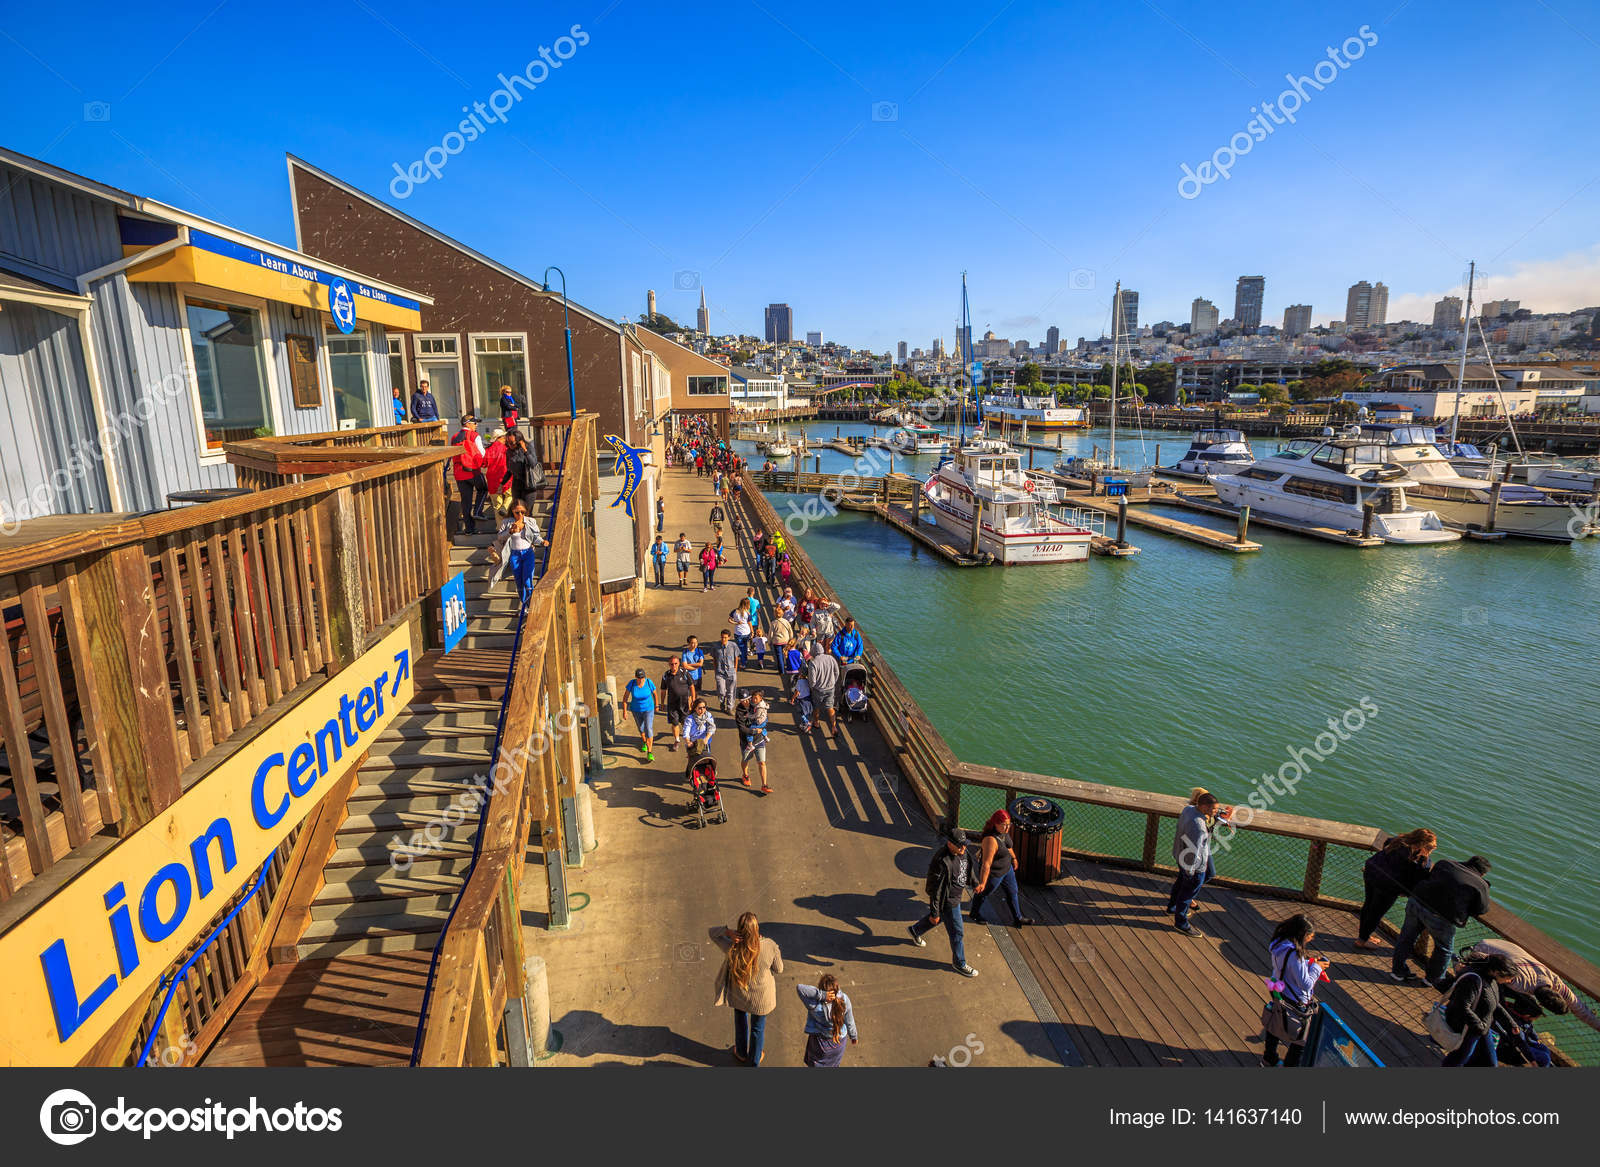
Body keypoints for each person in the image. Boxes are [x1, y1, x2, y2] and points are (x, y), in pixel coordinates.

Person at [1458, 937, 1600, 1032]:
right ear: (1542, 1004)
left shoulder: (1555, 981)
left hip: (1500, 944)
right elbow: (1497, 969)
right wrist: (1468, 963)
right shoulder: (1519, 983)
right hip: (1485, 949)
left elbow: (1579, 1008)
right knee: (1490, 992)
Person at [1391, 855, 1492, 987]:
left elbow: (1430, 878)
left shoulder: (1446, 863)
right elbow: (1482, 909)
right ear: (1483, 873)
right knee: (1444, 949)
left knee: (1406, 937)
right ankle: (1433, 979)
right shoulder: (1481, 884)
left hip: (1416, 901)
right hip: (1440, 917)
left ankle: (1397, 972)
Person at [908, 827, 980, 977]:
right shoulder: (941, 861)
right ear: (950, 843)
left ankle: (916, 930)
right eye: (960, 845)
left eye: (965, 844)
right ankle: (959, 963)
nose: (964, 848)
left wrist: (974, 882)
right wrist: (934, 911)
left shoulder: (963, 852)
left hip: (955, 896)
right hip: (949, 901)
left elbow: (968, 868)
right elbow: (936, 890)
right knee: (957, 932)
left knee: (939, 919)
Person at [714, 912, 783, 1067]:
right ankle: (753, 1060)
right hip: (761, 999)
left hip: (739, 994)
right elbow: (779, 969)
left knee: (740, 1021)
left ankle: (741, 1052)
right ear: (757, 928)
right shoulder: (770, 945)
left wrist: (727, 932)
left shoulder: (732, 946)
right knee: (757, 1029)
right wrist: (775, 950)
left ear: (739, 929)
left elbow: (712, 933)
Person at [1261, 914, 1328, 1067]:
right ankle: (1290, 1066)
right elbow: (1305, 983)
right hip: (1294, 998)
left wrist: (1307, 963)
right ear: (1302, 935)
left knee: (1275, 1022)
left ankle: (1269, 1058)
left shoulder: (1278, 943)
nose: (1311, 939)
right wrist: (1316, 968)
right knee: (1302, 1037)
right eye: (1310, 936)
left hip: (1278, 989)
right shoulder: (1295, 954)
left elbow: (1288, 966)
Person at [1166, 788, 1231, 936]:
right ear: (1203, 807)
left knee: (1187, 881)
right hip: (1194, 865)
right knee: (1187, 892)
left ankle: (1173, 907)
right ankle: (1181, 923)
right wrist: (1191, 871)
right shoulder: (1199, 827)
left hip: (1181, 855)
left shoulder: (1188, 809)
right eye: (1214, 809)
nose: (1216, 811)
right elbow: (1194, 851)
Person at [1355, 829, 1436, 948]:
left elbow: (1386, 845)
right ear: (1423, 844)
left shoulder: (1397, 841)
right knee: (1376, 913)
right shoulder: (1418, 858)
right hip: (1387, 886)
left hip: (1371, 873)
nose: (1433, 848)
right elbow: (1419, 875)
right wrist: (1425, 858)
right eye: (1431, 847)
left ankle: (1364, 935)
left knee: (1368, 906)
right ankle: (1362, 941)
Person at [1439, 952, 1518, 1067]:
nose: (1509, 981)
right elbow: (1462, 1006)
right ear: (1497, 972)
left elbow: (1495, 1004)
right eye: (1508, 978)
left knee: (1489, 1063)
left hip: (1481, 1028)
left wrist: (1511, 1023)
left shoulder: (1492, 981)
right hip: (1468, 1028)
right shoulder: (1474, 980)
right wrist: (1480, 1026)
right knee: (1457, 1060)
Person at [969, 809, 1035, 927]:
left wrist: (1014, 859)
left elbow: (1008, 847)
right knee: (983, 893)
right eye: (1004, 825)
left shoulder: (1003, 833)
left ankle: (1018, 918)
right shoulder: (991, 840)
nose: (1007, 827)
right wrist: (983, 882)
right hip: (994, 873)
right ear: (995, 824)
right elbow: (986, 864)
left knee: (1013, 892)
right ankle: (974, 913)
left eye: (1008, 824)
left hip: (1007, 869)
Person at [797, 974, 857, 1067]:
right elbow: (850, 1021)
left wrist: (822, 995)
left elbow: (800, 988)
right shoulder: (844, 1000)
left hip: (821, 1045)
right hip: (839, 1043)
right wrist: (853, 1036)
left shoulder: (815, 1005)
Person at [488, 501, 543, 602]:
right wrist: (510, 531)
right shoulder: (506, 522)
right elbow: (500, 537)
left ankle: (531, 603)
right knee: (518, 580)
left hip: (528, 553)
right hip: (514, 554)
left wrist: (543, 542)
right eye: (517, 512)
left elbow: (536, 537)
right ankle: (525, 604)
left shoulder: (531, 521)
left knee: (527, 580)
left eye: (523, 512)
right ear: (512, 511)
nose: (520, 515)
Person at [451, 415, 487, 535]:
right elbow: (482, 453)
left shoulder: (454, 437)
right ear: (467, 424)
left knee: (465, 501)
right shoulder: (474, 436)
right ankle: (477, 511)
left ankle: (469, 529)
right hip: (472, 470)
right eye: (474, 423)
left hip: (458, 472)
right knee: (483, 489)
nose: (476, 425)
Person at [658, 656, 696, 753]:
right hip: (672, 704)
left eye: (675, 663)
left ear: (679, 663)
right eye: (671, 664)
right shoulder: (666, 675)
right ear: (668, 664)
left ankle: (690, 739)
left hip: (685, 704)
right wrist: (662, 703)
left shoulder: (684, 672)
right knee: (675, 723)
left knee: (685, 723)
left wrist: (693, 700)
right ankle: (677, 740)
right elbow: (663, 690)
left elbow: (691, 686)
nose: (674, 666)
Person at [735, 689, 771, 792]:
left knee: (762, 762)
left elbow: (763, 714)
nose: (746, 702)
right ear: (740, 700)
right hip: (746, 741)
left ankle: (764, 785)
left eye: (748, 699)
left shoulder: (755, 704)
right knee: (745, 760)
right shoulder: (739, 712)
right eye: (743, 700)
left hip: (759, 740)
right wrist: (754, 731)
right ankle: (745, 775)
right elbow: (742, 728)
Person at [805, 643, 840, 737]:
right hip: (830, 688)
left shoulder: (813, 662)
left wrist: (812, 688)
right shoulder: (831, 658)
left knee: (816, 707)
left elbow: (812, 680)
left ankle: (816, 722)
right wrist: (833, 682)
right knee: (830, 707)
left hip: (818, 689)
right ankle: (834, 727)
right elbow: (837, 672)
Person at [623, 668, 658, 761]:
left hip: (648, 709)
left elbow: (655, 693)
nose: (641, 679)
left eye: (643, 677)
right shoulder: (632, 683)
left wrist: (657, 705)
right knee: (641, 728)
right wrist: (625, 711)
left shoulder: (649, 682)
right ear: (636, 677)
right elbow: (625, 697)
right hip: (636, 710)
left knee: (648, 729)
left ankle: (650, 752)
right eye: (639, 678)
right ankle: (644, 742)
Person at [483, 428, 510, 515]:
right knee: (510, 496)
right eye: (504, 437)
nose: (505, 438)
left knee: (497, 505)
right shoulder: (506, 449)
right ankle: (505, 507)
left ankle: (500, 527)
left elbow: (484, 464)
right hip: (505, 477)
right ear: (499, 437)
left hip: (492, 479)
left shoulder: (488, 450)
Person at [712, 629, 740, 712]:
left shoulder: (733, 645)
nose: (723, 639)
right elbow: (714, 659)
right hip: (720, 673)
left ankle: (729, 708)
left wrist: (735, 669)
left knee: (731, 691)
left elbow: (736, 657)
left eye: (725, 637)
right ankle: (722, 702)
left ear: (729, 637)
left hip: (731, 672)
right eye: (722, 637)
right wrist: (715, 670)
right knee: (721, 691)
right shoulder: (715, 646)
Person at [683, 698, 716, 766]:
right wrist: (688, 742)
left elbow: (711, 727)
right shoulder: (690, 718)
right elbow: (686, 731)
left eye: (704, 707)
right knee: (694, 762)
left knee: (707, 760)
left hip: (705, 742)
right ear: (695, 708)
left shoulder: (708, 715)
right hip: (694, 743)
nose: (702, 710)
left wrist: (706, 739)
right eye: (700, 708)